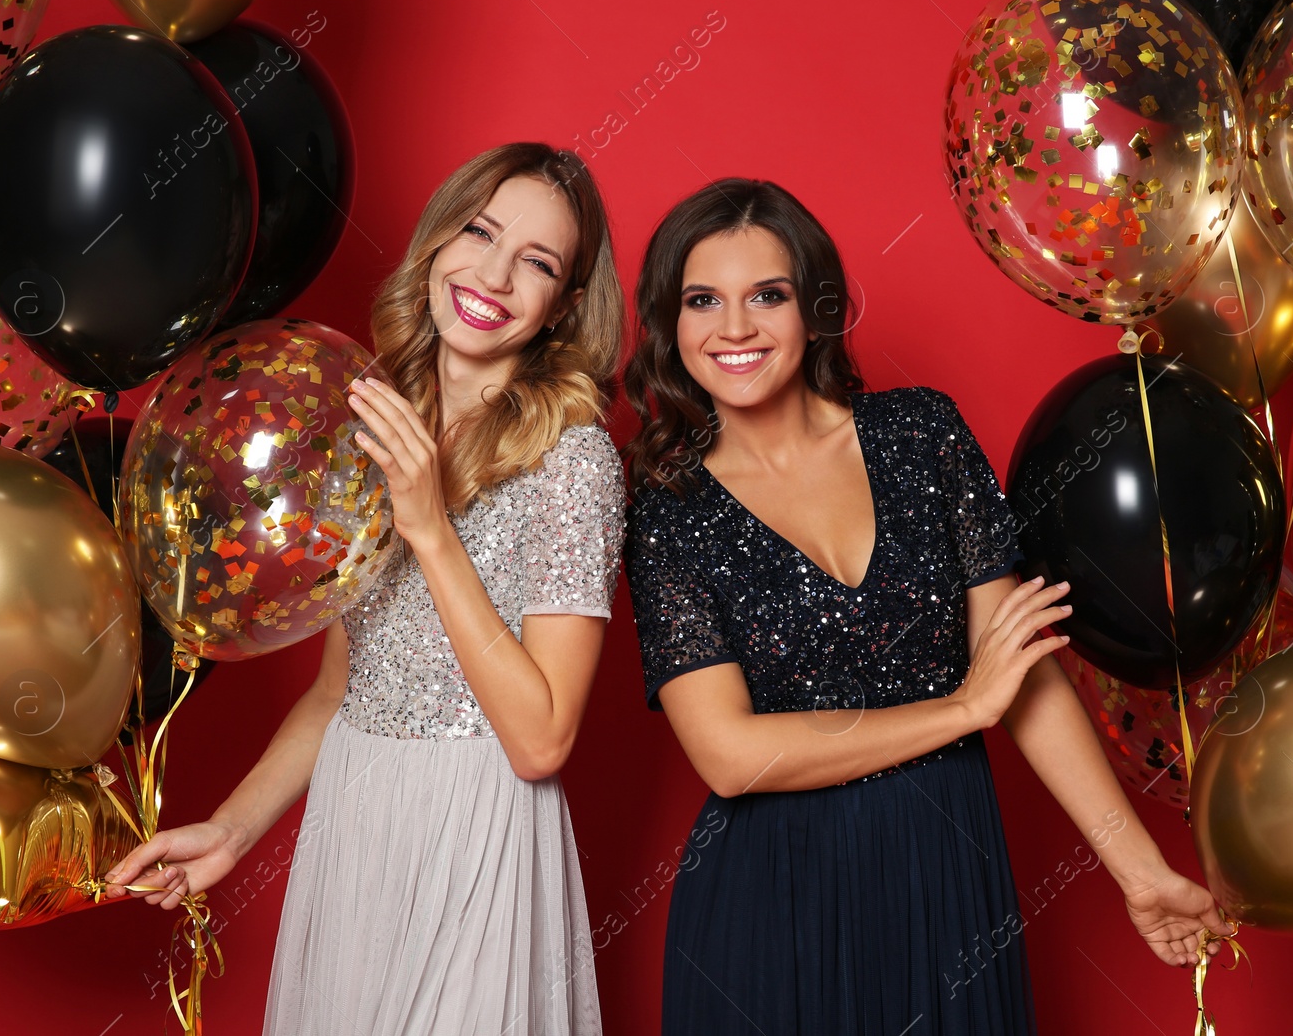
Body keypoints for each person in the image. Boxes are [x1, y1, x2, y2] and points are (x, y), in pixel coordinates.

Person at [620, 178, 1230, 1034]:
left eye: (768, 294)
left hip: (944, 873)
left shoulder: (921, 435)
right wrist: (963, 705)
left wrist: (1140, 871)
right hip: (768, 901)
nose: (735, 328)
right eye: (701, 300)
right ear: (669, 322)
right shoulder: (667, 504)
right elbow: (728, 755)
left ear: (814, 307)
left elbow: (1026, 673)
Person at [103, 142, 627, 1036]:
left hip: (479, 826)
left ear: (564, 306)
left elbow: (541, 739)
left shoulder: (573, 461)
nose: (494, 273)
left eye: (536, 262)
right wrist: (230, 831)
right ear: (437, 240)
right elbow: (340, 690)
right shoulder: (361, 420)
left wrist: (426, 525)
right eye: (480, 231)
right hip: (357, 816)